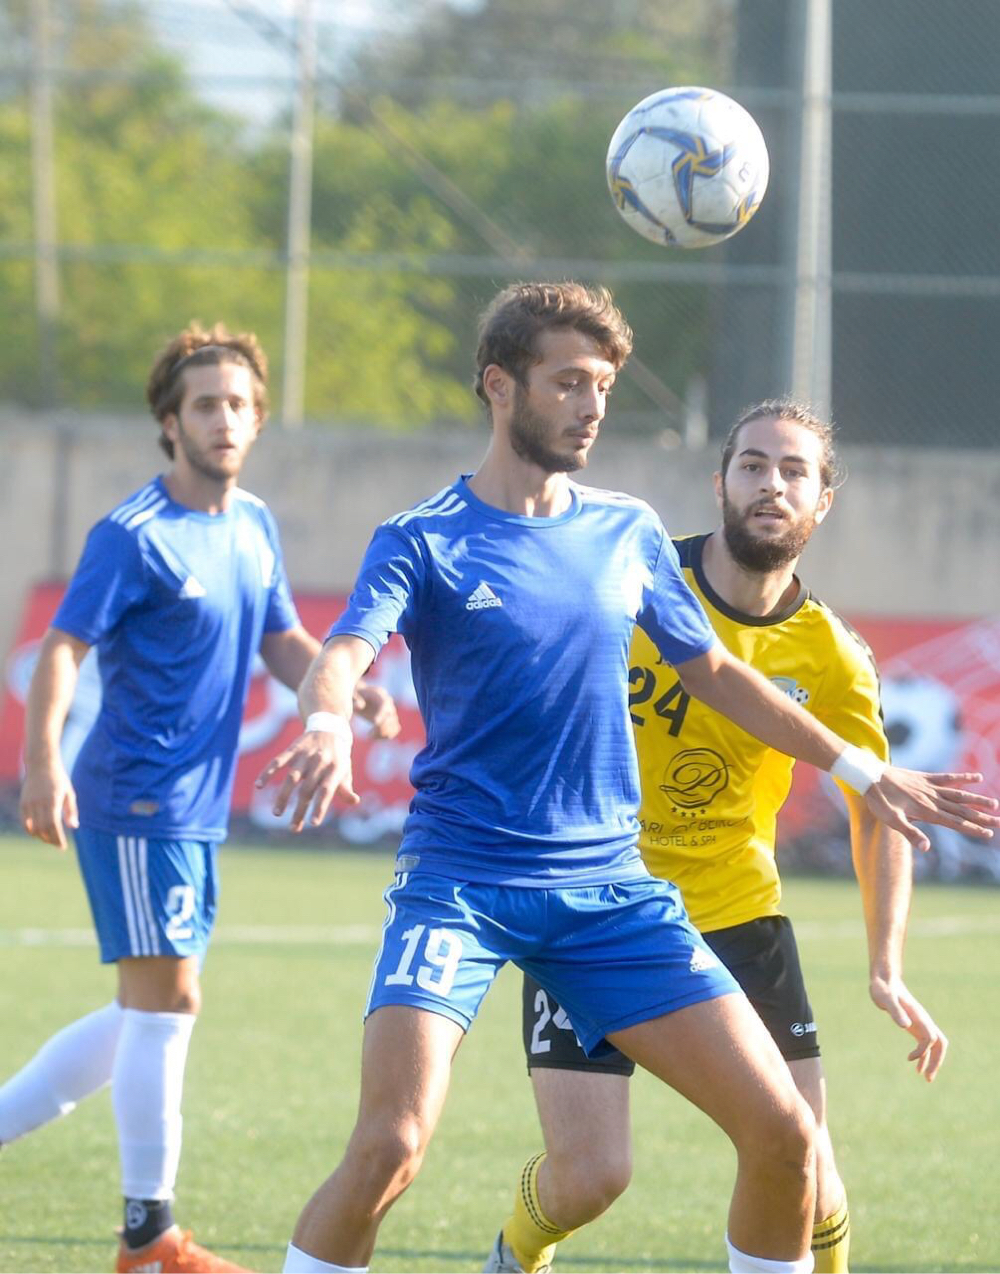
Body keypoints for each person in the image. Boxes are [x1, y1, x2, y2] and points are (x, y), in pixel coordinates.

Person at [256, 283, 996, 1274]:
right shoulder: (422, 535)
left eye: (601, 384)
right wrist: (323, 719)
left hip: (611, 894)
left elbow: (720, 674)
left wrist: (863, 769)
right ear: (498, 384)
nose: (591, 404)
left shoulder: (627, 530)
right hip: (460, 881)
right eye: (567, 381)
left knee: (786, 1136)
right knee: (391, 1144)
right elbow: (346, 646)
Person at [487, 399, 949, 1274]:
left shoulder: (833, 658)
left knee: (806, 1169)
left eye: (794, 470)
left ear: (823, 501)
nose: (771, 483)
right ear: (720, 484)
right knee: (590, 1177)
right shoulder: (631, 580)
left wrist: (886, 966)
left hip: (736, 914)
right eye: (752, 465)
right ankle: (513, 1256)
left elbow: (876, 805)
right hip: (591, 908)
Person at [0, 323, 399, 1274]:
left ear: (258, 420)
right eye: (206, 405)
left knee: (154, 1007)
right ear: (169, 424)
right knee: (166, 1003)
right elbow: (62, 648)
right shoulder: (133, 534)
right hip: (136, 798)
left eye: (240, 405)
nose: (225, 420)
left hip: (193, 810)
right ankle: (149, 1237)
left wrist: (344, 691)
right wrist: (43, 761)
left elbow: (282, 643)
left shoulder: (252, 524)